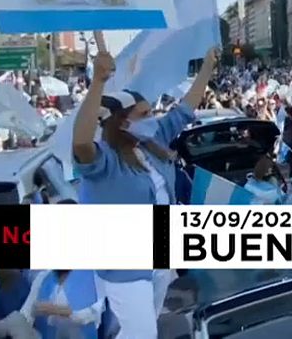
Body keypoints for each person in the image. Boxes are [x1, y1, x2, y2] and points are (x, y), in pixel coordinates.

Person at [72, 32, 216, 339]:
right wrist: (97, 81)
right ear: (122, 123)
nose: (153, 117)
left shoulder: (153, 140)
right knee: (143, 334)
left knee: (140, 329)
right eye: (145, 114)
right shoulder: (104, 161)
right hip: (124, 264)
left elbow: (185, 109)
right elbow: (81, 142)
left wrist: (206, 68)